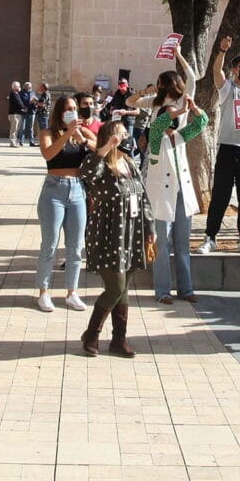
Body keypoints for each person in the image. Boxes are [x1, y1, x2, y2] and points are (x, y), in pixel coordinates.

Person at [79, 121, 155, 357]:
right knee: (115, 287)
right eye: (120, 132)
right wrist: (103, 148)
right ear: (110, 136)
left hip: (132, 232)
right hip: (108, 234)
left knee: (123, 289)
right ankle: (91, 334)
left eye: (124, 132)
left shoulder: (128, 161)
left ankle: (118, 339)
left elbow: (142, 196)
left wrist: (150, 226)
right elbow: (87, 173)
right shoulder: (100, 162)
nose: (124, 135)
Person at [199, 36, 240, 255]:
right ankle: (210, 237)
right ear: (235, 69)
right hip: (227, 147)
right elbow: (216, 72)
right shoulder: (227, 89)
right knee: (221, 195)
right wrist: (222, 51)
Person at [145, 80, 206, 304]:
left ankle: (186, 289)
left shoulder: (180, 138)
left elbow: (202, 122)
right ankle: (162, 291)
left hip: (183, 196)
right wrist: (178, 109)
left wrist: (193, 106)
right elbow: (159, 124)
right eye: (171, 116)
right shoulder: (155, 139)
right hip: (162, 199)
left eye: (177, 117)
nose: (175, 119)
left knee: (182, 243)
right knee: (162, 244)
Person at [36, 95, 97, 312]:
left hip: (78, 189)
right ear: (59, 112)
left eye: (74, 108)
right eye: (67, 109)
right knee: (50, 244)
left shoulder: (82, 131)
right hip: (54, 188)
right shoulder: (47, 133)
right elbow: (49, 154)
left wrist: (80, 137)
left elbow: (100, 149)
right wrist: (67, 134)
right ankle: (43, 292)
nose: (72, 112)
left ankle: (72, 292)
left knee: (76, 246)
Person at [8, 81, 26, 147]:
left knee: (16, 129)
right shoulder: (13, 94)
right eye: (19, 86)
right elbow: (19, 102)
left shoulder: (16, 93)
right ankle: (12, 142)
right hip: (14, 114)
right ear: (15, 87)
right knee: (14, 129)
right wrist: (24, 107)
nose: (20, 88)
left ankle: (14, 142)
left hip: (17, 114)